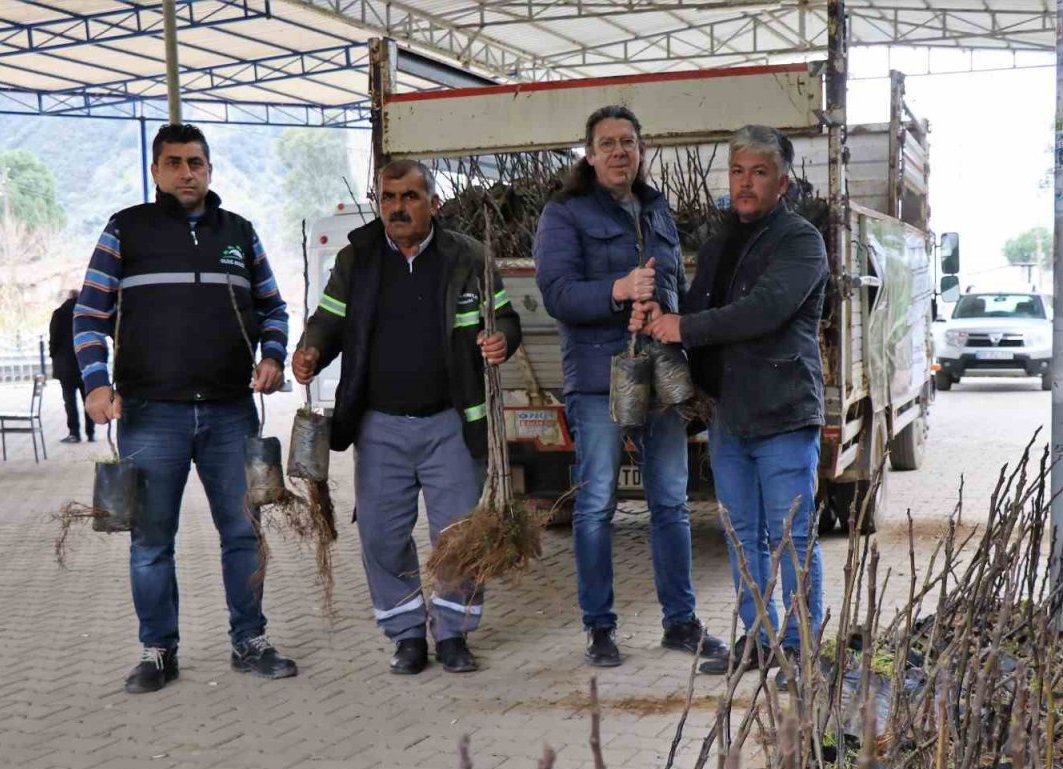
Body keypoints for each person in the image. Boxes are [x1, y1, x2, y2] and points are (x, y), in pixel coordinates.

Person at [75, 123, 297, 694]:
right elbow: (89, 316)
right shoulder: (126, 230)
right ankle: (157, 651)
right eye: (173, 163)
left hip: (230, 412)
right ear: (154, 172)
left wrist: (273, 356)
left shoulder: (239, 234)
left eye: (195, 163)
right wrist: (97, 386)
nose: (185, 173)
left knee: (243, 533)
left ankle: (250, 641)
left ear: (210, 169)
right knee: (150, 542)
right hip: (151, 415)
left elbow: (274, 307)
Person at [291, 159, 521, 676]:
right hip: (380, 425)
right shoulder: (358, 259)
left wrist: (502, 338)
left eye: (410, 196)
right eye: (389, 197)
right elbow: (328, 320)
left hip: (451, 424)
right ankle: (406, 634)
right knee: (381, 533)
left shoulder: (468, 256)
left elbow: (504, 314)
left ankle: (455, 633)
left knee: (459, 535)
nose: (398, 207)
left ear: (433, 204)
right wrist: (309, 350)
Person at [534, 104, 728, 668]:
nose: (620, 152)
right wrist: (618, 291)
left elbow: (675, 283)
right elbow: (558, 295)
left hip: (661, 374)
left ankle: (681, 622)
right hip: (599, 378)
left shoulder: (657, 208)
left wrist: (668, 312)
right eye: (607, 143)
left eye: (629, 142)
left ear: (641, 151)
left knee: (671, 500)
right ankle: (599, 628)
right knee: (596, 505)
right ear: (589, 156)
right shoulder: (564, 214)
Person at [637, 125, 829, 680]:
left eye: (759, 172)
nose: (746, 183)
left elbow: (764, 309)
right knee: (744, 534)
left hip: (782, 413)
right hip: (728, 416)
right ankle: (760, 637)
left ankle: (799, 644)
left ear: (783, 183)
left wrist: (683, 326)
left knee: (791, 536)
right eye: (739, 171)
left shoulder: (799, 241)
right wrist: (657, 316)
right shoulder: (721, 242)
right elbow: (696, 307)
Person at [49, 289, 94, 443]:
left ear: (68, 298)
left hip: (65, 365)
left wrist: (54, 355)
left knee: (69, 401)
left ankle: (74, 433)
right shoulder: (86, 313)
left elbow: (53, 340)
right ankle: (91, 433)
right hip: (85, 362)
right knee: (88, 399)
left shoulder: (59, 313)